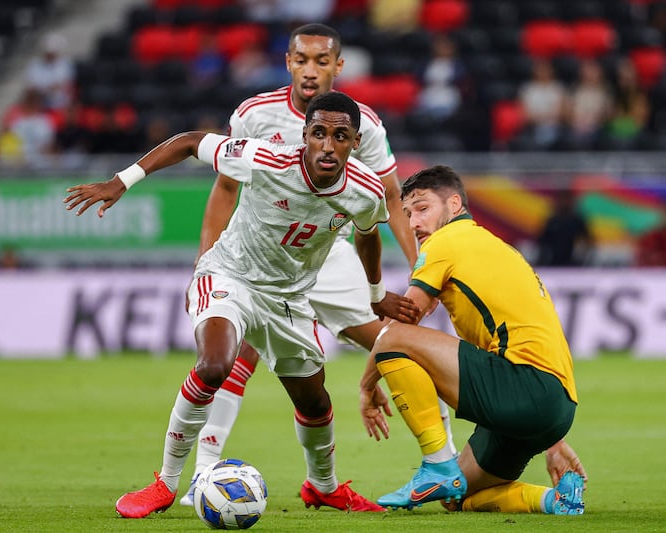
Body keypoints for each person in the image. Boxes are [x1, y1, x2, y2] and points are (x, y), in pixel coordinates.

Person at [63, 91, 420, 518]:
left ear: (355, 142)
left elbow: (367, 234)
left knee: (315, 403)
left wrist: (377, 296)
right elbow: (189, 141)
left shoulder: (366, 190)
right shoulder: (264, 159)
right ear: (304, 135)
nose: (328, 145)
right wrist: (123, 179)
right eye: (319, 133)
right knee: (214, 365)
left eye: (340, 136)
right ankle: (165, 482)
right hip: (230, 275)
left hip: (288, 297)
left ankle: (323, 487)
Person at [177, 22, 457, 507]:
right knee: (234, 352)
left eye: (321, 61)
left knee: (398, 343)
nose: (311, 71)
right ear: (288, 63)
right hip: (261, 258)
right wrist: (206, 259)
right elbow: (225, 188)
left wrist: (422, 272)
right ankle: (204, 472)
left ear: (337, 66)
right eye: (302, 60)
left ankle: (442, 460)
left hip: (328, 257)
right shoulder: (255, 114)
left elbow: (389, 198)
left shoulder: (361, 123)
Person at [359, 165, 587, 514]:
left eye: (422, 208)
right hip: (556, 406)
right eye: (406, 214)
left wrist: (367, 386)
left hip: (523, 388)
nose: (413, 223)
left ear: (454, 204)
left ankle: (437, 463)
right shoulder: (498, 248)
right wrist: (552, 440)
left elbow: (398, 328)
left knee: (396, 338)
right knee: (456, 499)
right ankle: (554, 500)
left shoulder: (444, 242)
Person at [536, 189, 593, 267]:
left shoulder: (576, 221)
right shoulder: (553, 221)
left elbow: (587, 240)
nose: (564, 202)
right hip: (552, 262)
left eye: (567, 199)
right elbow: (542, 241)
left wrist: (581, 255)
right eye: (562, 199)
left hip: (572, 262)